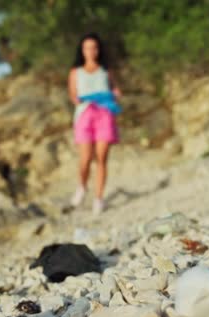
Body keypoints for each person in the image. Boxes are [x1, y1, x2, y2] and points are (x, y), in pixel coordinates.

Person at [68, 33, 122, 215]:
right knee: (86, 157)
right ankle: (82, 186)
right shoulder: (76, 72)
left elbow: (115, 88)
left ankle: (99, 198)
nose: (91, 51)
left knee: (101, 157)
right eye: (87, 47)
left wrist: (114, 94)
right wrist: (86, 99)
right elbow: (73, 96)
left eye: (94, 47)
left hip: (105, 114)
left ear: (99, 50)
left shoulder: (105, 70)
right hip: (85, 114)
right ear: (82, 50)